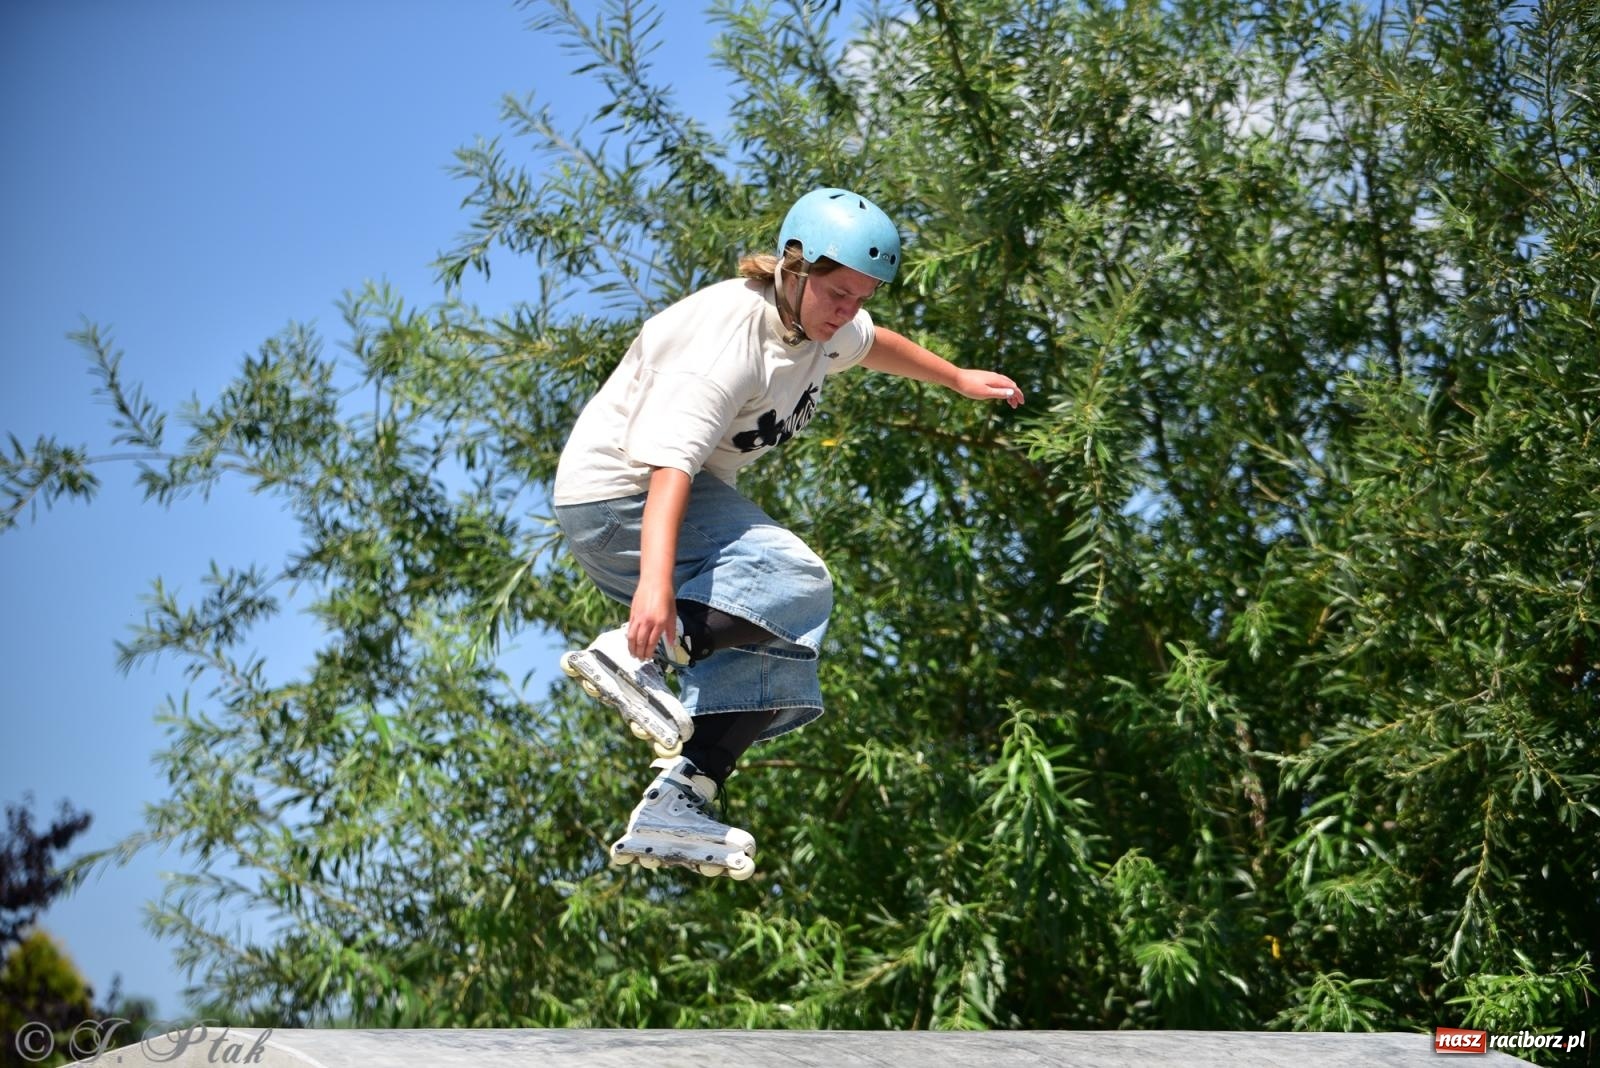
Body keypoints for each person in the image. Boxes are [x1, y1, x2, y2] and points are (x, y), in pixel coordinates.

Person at [553, 187, 1024, 880]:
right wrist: (653, 594)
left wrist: (954, 378)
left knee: (782, 652)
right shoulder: (727, 339)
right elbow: (670, 469)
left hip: (663, 503)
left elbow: (875, 345)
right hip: (618, 497)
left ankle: (678, 800)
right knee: (794, 577)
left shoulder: (819, 324)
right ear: (793, 266)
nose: (847, 312)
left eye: (861, 297)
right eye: (838, 293)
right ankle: (632, 653)